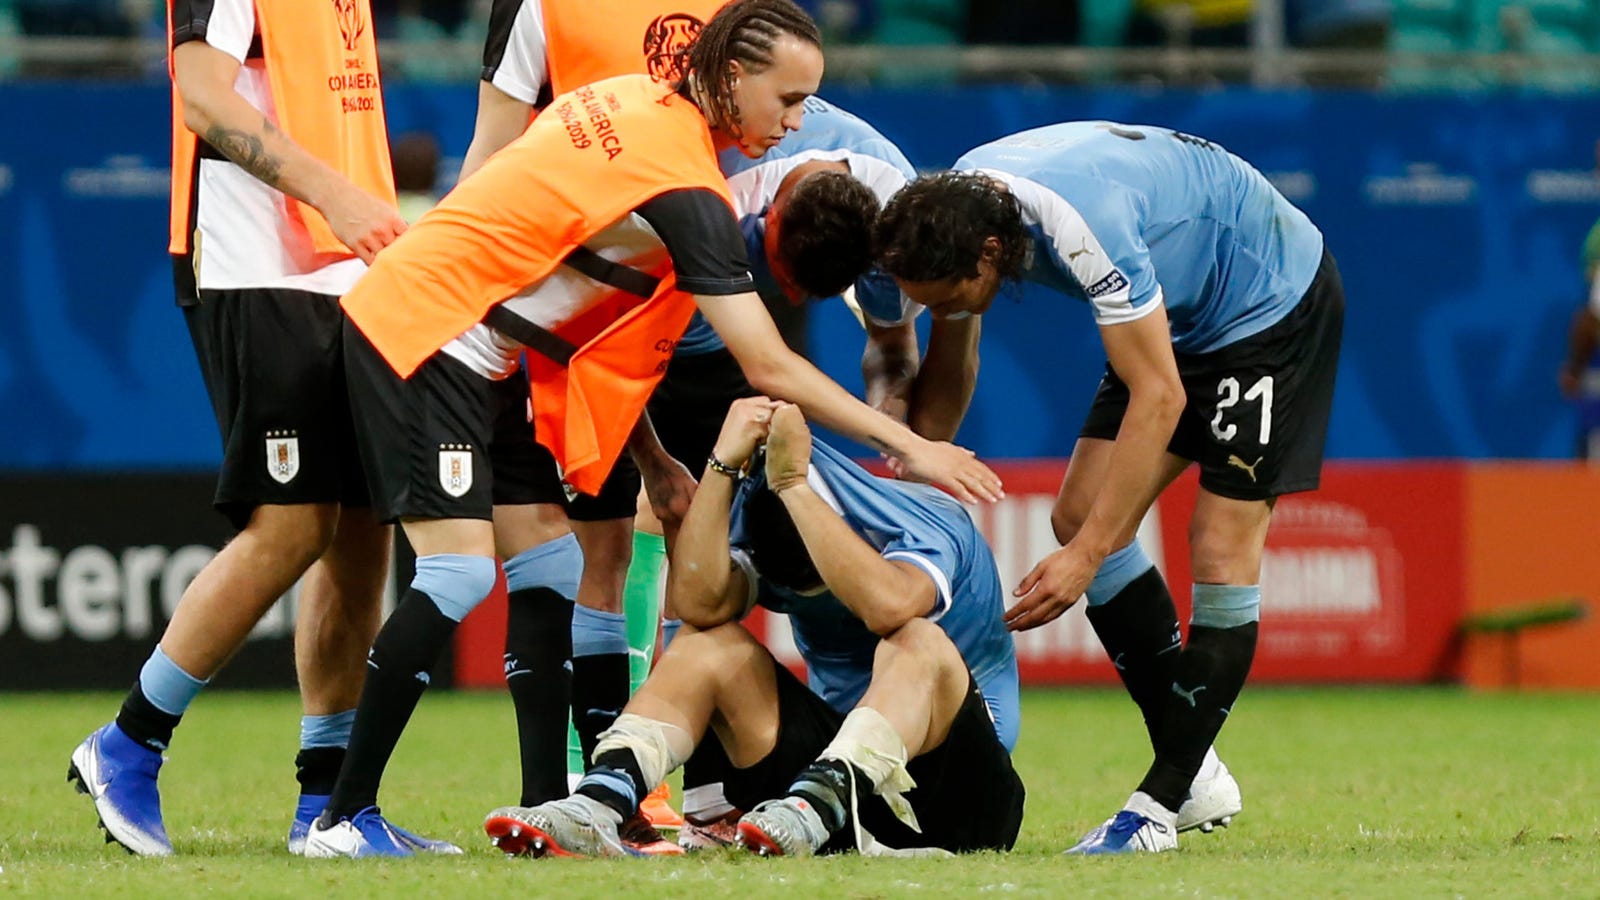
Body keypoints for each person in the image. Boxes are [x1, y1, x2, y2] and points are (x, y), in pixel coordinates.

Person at [302, 0, 1001, 859]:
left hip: (488, 349)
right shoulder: (690, 191)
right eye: (786, 100)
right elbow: (771, 367)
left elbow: (598, 326)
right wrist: (914, 445)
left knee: (555, 562)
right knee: (454, 573)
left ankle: (581, 804)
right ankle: (342, 819)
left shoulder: (632, 100)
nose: (793, 123)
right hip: (430, 331)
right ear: (731, 78)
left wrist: (658, 459)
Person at [873, 121, 1344, 854]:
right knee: (1080, 514)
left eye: (950, 295)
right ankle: (1197, 776)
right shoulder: (961, 213)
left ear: (992, 254)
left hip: (1268, 306)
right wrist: (915, 467)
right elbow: (952, 357)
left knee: (1217, 545)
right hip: (1183, 317)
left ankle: (1157, 808)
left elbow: (1159, 396)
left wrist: (1089, 559)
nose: (945, 306)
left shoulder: (1084, 224)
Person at [67, 0, 412, 857]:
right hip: (252, 262)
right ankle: (129, 743)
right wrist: (335, 194)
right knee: (291, 525)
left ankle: (328, 809)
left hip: (344, 269)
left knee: (364, 531)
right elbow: (204, 99)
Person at [481, 399, 1023, 859]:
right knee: (707, 640)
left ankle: (821, 800)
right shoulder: (764, 531)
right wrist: (720, 465)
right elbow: (695, 603)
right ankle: (598, 803)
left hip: (962, 795)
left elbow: (891, 607)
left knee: (917, 640)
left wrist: (795, 486)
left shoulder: (927, 518)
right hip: (813, 804)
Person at [457, 0, 733, 840]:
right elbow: (490, 155)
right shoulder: (536, 6)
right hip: (593, 306)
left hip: (714, 285)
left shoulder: (745, 13)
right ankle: (593, 789)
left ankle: (703, 797)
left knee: (707, 533)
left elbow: (780, 105)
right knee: (595, 546)